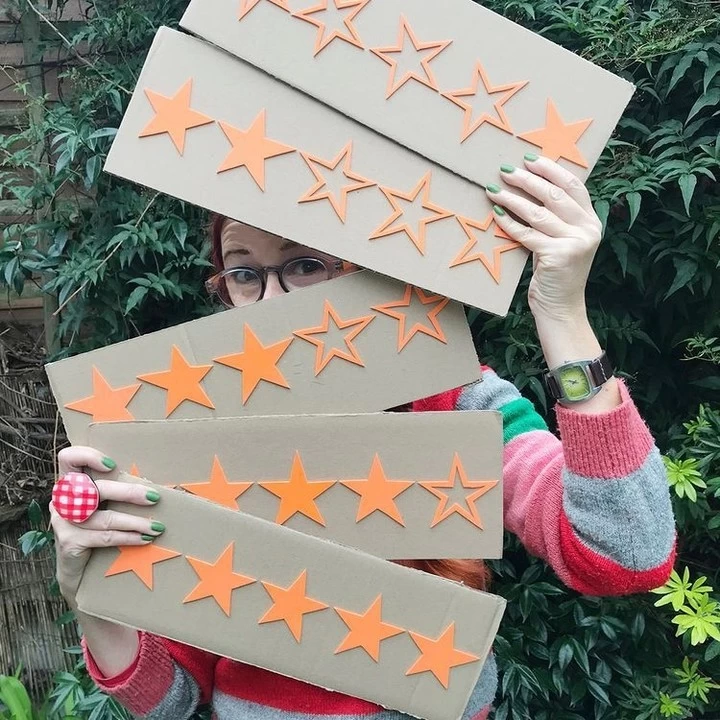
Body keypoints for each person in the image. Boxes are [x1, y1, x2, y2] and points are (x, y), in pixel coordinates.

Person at [51, 155, 676, 720]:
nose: (269, 302)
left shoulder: (454, 402)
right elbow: (172, 702)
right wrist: (96, 601)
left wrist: (563, 312)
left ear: (369, 270)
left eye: (304, 265)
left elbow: (628, 554)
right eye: (243, 274)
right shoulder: (188, 437)